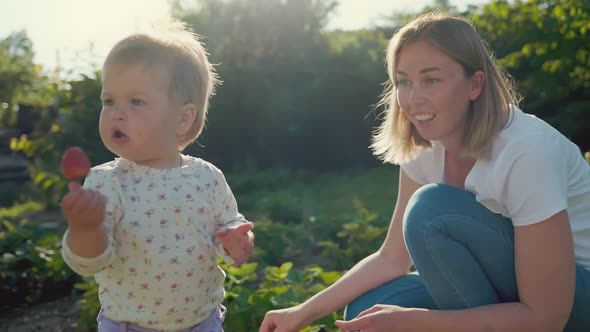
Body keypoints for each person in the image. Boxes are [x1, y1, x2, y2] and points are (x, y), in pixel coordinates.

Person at [259, 11, 590, 332]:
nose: (413, 99)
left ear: (475, 85)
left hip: (572, 298)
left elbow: (546, 318)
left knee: (431, 211)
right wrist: (302, 312)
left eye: (431, 80)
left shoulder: (526, 153)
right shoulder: (427, 146)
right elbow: (391, 258)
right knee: (367, 311)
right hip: (507, 284)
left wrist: (418, 323)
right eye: (403, 82)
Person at [60, 20, 254, 332]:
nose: (117, 112)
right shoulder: (105, 182)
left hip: (202, 323)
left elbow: (230, 234)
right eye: (109, 101)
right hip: (128, 325)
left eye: (136, 101)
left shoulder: (207, 178)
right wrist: (85, 228)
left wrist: (237, 243)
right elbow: (89, 262)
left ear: (182, 118)